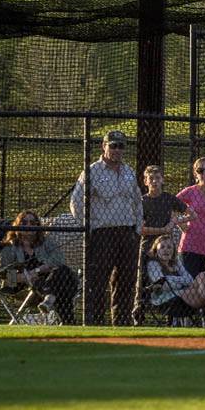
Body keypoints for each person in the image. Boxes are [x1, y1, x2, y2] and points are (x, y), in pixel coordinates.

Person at [71, 130, 143, 326]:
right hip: (103, 232)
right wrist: (90, 225)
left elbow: (137, 201)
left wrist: (137, 227)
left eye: (121, 146)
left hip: (127, 232)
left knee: (126, 280)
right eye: (113, 146)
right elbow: (76, 202)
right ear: (104, 147)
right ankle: (95, 322)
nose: (117, 150)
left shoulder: (129, 171)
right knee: (98, 280)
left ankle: (122, 322)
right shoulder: (92, 171)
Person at [134, 164, 196, 325]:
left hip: (167, 247)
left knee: (175, 275)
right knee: (147, 282)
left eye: (157, 178)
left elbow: (192, 214)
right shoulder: (143, 201)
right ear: (145, 181)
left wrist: (175, 221)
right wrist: (162, 229)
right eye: (151, 179)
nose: (154, 181)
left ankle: (176, 312)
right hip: (149, 249)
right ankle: (138, 311)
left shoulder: (168, 198)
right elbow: (140, 229)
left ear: (162, 180)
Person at [0, 210, 79, 324]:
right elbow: (1, 273)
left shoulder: (46, 243)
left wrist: (38, 270)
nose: (29, 225)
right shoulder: (10, 247)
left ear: (37, 226)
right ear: (18, 225)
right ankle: (67, 321)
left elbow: (59, 260)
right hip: (23, 288)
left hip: (46, 282)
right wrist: (26, 277)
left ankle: (50, 296)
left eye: (32, 222)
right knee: (64, 284)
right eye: (24, 222)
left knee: (63, 271)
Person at [144, 233, 205, 322]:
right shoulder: (153, 264)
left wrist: (169, 278)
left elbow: (190, 280)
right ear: (156, 250)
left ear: (173, 251)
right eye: (162, 247)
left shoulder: (176, 263)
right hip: (164, 298)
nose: (166, 250)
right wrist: (180, 281)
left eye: (169, 247)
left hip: (183, 295)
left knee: (203, 275)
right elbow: (162, 284)